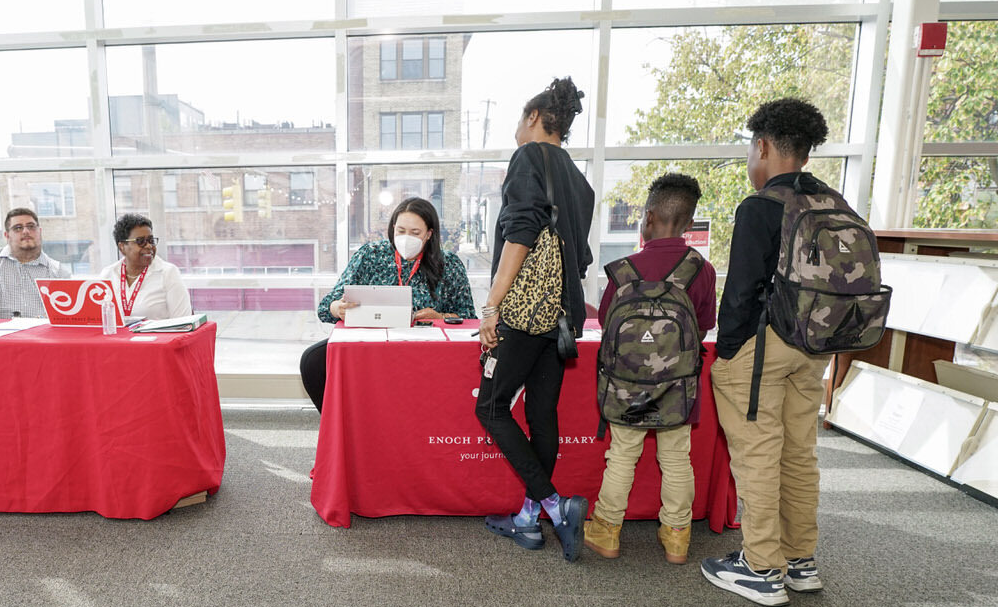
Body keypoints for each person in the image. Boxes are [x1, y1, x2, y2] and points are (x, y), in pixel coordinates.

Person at [701, 98, 832, 607]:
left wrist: (728, 351)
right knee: (799, 453)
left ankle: (760, 568)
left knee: (757, 454)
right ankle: (800, 560)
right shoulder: (832, 202)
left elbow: (740, 292)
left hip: (762, 349)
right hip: (814, 345)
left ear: (762, 146)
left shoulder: (761, 206)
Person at [476, 77, 595, 562]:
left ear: (532, 118)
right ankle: (528, 520)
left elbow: (520, 235)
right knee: (542, 414)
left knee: (491, 408)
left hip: (524, 314)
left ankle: (554, 504)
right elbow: (578, 255)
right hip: (562, 316)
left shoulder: (529, 158)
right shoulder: (579, 180)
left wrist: (492, 305)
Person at [583, 173, 716, 563]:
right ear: (689, 224)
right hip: (678, 388)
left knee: (622, 455)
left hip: (625, 386)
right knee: (676, 457)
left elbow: (608, 325)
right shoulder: (700, 270)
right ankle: (676, 536)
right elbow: (704, 326)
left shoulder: (623, 270)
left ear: (648, 217)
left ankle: (607, 531)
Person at [299, 197, 475, 413]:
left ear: (429, 234)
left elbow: (469, 318)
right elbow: (326, 307)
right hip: (371, 346)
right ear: (392, 228)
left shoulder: (449, 264)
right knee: (313, 361)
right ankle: (341, 428)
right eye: (400, 231)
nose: (406, 238)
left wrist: (439, 317)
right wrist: (338, 308)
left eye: (415, 233)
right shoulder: (370, 254)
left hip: (422, 349)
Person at [100, 213, 191, 320]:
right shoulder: (108, 274)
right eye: (141, 241)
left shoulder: (168, 273)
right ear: (122, 247)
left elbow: (183, 322)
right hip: (117, 336)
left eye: (151, 240)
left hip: (159, 336)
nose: (149, 246)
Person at [0, 207, 71, 318]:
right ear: (7, 236)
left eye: (31, 226)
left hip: (42, 335)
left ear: (39, 231)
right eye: (18, 228)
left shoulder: (59, 273)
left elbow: (66, 318)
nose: (26, 231)